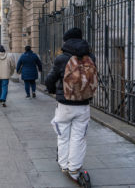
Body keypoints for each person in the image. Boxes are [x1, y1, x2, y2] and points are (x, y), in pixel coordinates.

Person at [45, 27, 96, 181]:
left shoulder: (62, 58)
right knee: (79, 138)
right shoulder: (91, 57)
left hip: (65, 105)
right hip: (84, 105)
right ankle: (74, 169)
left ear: (66, 41)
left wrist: (54, 91)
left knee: (63, 136)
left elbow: (49, 80)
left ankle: (63, 164)